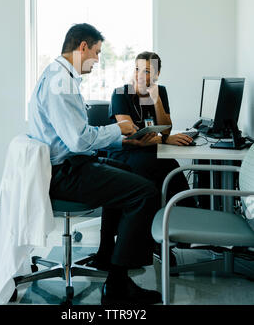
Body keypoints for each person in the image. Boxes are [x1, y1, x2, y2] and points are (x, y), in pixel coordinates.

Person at [27, 24, 162, 305]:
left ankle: (107, 256)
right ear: (82, 47)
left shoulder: (60, 76)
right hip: (63, 174)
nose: (98, 61)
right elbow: (77, 140)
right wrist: (120, 129)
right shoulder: (59, 82)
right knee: (145, 192)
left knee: (126, 172)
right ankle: (117, 284)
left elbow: (75, 137)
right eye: (97, 53)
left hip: (66, 165)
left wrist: (123, 142)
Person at [86, 51, 195, 271]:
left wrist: (155, 101)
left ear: (157, 74)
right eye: (137, 69)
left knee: (169, 167)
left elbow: (166, 127)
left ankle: (167, 235)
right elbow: (129, 133)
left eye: (147, 71)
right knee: (148, 171)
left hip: (147, 151)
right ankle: (141, 241)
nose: (139, 75)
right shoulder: (120, 94)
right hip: (122, 151)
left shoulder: (160, 92)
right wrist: (164, 139)